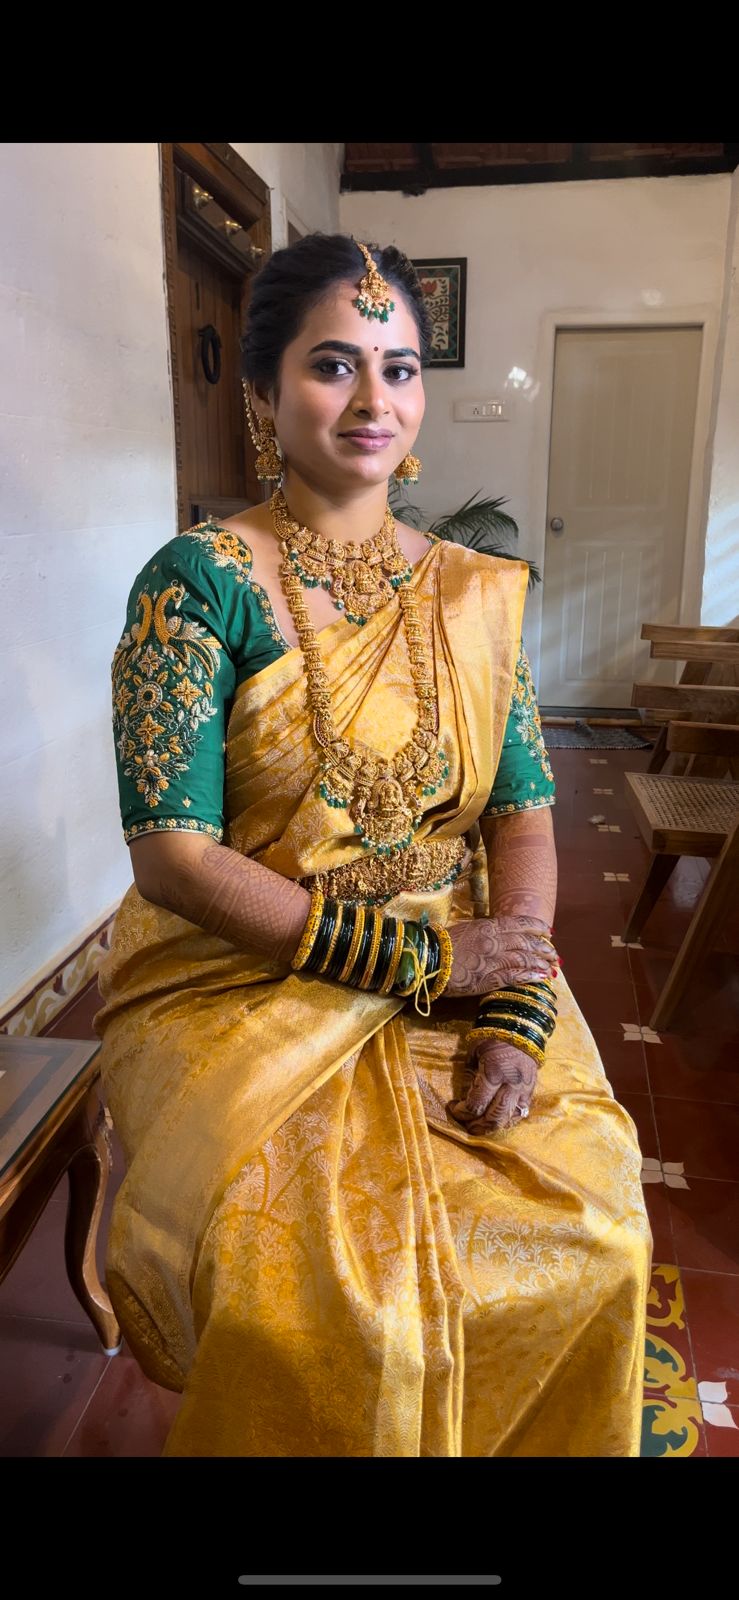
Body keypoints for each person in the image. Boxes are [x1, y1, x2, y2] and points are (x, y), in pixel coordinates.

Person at [95, 234, 651, 1457]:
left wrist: (515, 1001)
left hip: (464, 954)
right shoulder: (195, 584)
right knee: (334, 1299)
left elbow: (521, 813)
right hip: (238, 977)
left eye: (398, 369)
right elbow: (173, 859)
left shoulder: (471, 590)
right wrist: (422, 966)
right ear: (262, 391)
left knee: (599, 1233)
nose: (372, 400)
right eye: (332, 364)